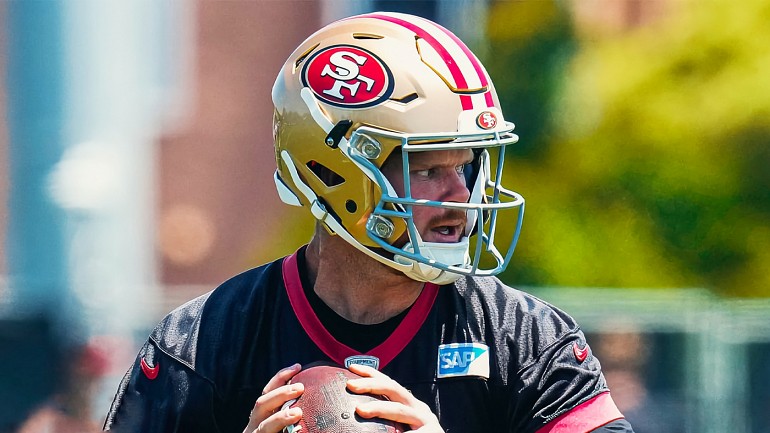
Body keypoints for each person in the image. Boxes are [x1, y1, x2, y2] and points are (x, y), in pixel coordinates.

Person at [104, 12, 635, 433]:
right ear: (333, 172)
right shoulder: (200, 347)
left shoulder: (525, 340)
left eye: (467, 164)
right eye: (426, 169)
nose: (460, 195)